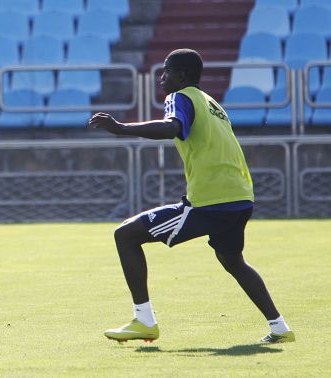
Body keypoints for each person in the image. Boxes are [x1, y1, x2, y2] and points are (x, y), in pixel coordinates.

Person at [88, 49, 294, 344]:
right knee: (233, 261)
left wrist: (120, 128)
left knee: (126, 234)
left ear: (182, 76)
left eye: (167, 71)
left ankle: (144, 320)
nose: (162, 78)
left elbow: (172, 127)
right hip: (241, 196)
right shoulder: (213, 104)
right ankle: (279, 327)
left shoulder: (180, 97)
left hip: (210, 201)